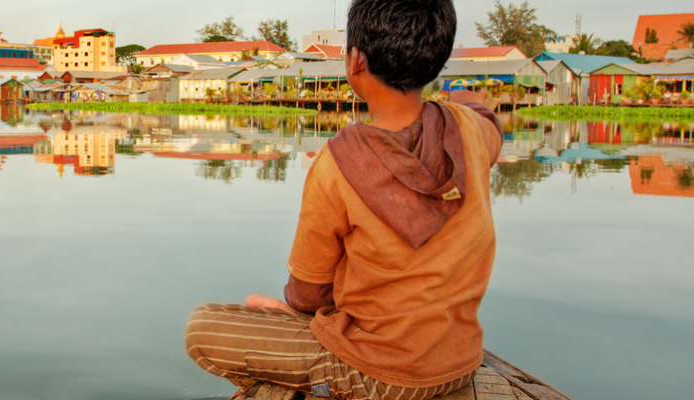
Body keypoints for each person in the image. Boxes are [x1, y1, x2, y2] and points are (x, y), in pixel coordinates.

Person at [182, 0, 503, 399]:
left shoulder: (337, 162)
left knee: (202, 327)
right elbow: (486, 118)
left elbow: (307, 293)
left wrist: (296, 315)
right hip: (458, 363)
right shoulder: (472, 130)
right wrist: (472, 102)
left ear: (355, 61)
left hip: (378, 373)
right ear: (436, 61)